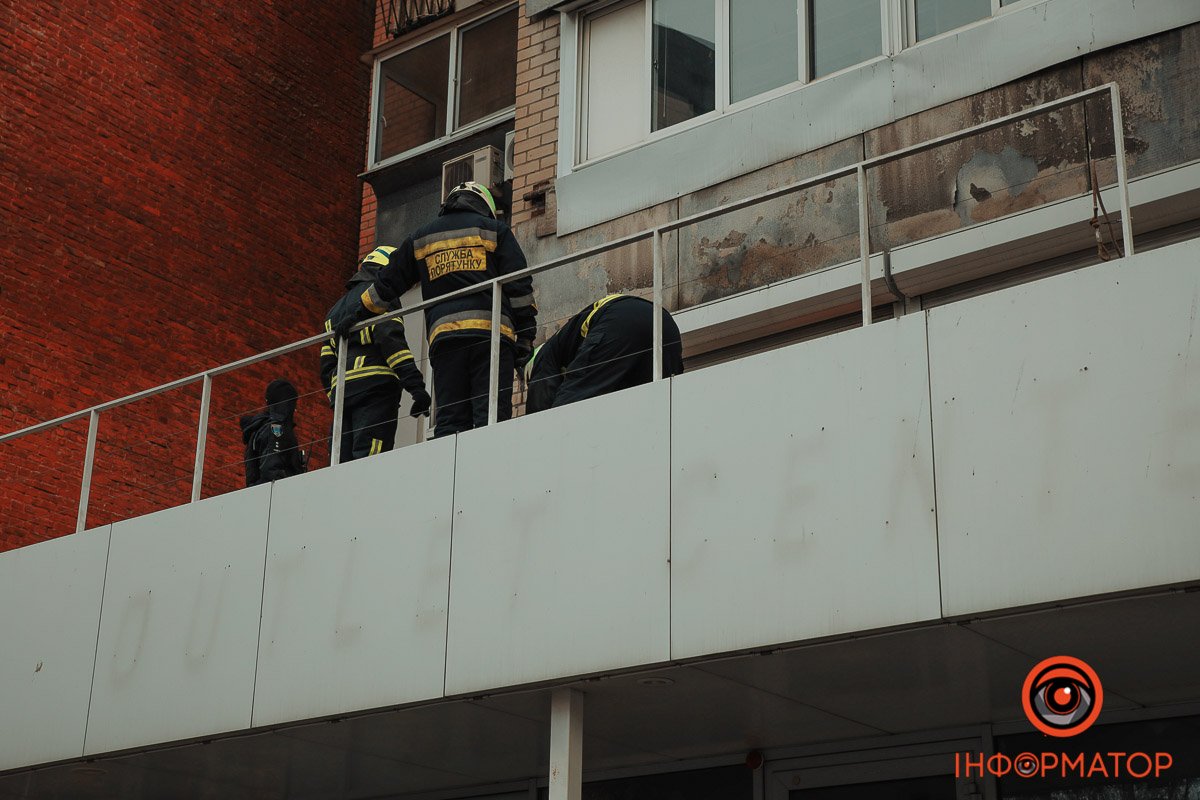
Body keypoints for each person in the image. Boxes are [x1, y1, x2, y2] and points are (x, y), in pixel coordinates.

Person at [329, 181, 536, 438]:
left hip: (446, 340)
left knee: (450, 419)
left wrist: (357, 314)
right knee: (491, 416)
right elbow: (520, 287)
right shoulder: (495, 231)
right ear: (485, 206)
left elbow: (386, 285)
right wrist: (526, 337)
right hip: (491, 337)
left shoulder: (421, 237)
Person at [320, 261, 431, 461]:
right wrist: (416, 388)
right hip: (375, 390)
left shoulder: (334, 311)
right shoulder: (380, 298)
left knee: (339, 460)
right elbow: (392, 345)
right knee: (370, 455)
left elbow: (326, 365)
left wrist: (336, 395)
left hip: (342, 394)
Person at [523, 294, 684, 414]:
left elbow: (542, 417)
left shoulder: (543, 357)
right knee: (658, 410)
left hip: (619, 322)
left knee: (567, 409)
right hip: (664, 323)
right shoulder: (565, 344)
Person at [239, 379, 307, 486]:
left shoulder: (260, 429)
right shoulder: (276, 429)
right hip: (274, 495)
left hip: (261, 493)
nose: (295, 410)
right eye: (293, 403)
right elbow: (272, 470)